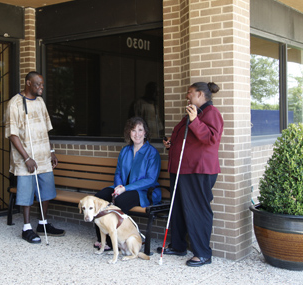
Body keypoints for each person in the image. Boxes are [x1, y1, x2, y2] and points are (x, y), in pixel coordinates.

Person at [158, 82, 224, 267]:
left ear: (201, 94)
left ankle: (202, 253)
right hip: (181, 169)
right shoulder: (193, 112)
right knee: (178, 208)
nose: (187, 96)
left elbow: (211, 139)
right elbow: (186, 137)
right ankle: (178, 246)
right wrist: (171, 142)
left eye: (190, 93)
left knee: (197, 210)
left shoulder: (212, 113)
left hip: (198, 170)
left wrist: (195, 121)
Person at [5, 71, 65, 244]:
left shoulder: (40, 102)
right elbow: (12, 134)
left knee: (45, 191)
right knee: (26, 194)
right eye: (38, 84)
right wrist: (26, 158)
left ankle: (43, 224)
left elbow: (45, 129)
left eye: (43, 85)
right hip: (26, 159)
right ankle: (26, 228)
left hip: (43, 156)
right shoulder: (15, 103)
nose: (41, 88)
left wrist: (51, 150)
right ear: (28, 83)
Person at [93, 117, 162, 250]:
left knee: (120, 202)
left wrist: (125, 188)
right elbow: (118, 172)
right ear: (129, 133)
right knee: (98, 199)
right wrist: (118, 187)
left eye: (140, 130)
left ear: (145, 132)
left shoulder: (152, 153)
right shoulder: (125, 151)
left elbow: (150, 179)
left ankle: (115, 240)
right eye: (133, 130)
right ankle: (103, 240)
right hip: (122, 188)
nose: (137, 134)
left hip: (143, 192)